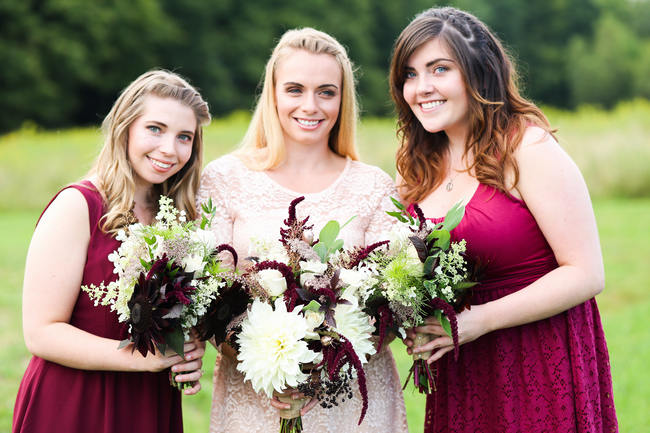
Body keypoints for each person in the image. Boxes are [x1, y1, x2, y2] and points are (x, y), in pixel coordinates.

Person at [389, 7, 619, 433]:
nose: (421, 88)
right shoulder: (416, 169)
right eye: (410, 74)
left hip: (537, 360)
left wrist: (477, 320)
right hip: (463, 368)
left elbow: (586, 273)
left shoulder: (526, 147)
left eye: (439, 69)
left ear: (478, 71)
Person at [197, 28, 408, 433]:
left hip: (354, 402)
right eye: (295, 89)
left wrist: (321, 365)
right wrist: (276, 363)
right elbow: (209, 300)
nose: (310, 105)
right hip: (256, 399)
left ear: (342, 99)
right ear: (273, 94)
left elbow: (393, 306)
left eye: (326, 92)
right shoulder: (225, 178)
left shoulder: (375, 185)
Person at [13, 70, 210, 433]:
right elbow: (40, 332)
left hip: (149, 404)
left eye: (184, 137)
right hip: (75, 403)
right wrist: (142, 359)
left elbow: (170, 320)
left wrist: (186, 351)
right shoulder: (78, 205)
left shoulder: (180, 221)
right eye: (155, 128)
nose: (170, 148)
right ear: (125, 127)